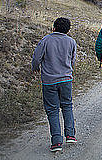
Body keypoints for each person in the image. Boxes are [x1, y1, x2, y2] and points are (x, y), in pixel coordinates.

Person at [32, 17, 77, 153]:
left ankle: (56, 142)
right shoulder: (71, 41)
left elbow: (36, 58)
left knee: (52, 110)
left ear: (54, 28)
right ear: (68, 30)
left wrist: (35, 68)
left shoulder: (46, 40)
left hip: (49, 81)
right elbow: (73, 61)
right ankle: (70, 135)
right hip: (66, 80)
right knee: (67, 106)